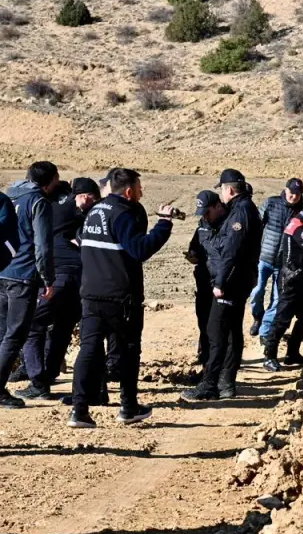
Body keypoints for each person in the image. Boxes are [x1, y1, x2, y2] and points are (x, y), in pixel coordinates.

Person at [69, 168, 175, 428]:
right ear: (129, 191)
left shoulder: (95, 211)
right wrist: (164, 223)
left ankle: (79, 409)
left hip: (90, 294)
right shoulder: (123, 213)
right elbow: (140, 249)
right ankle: (128, 407)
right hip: (119, 297)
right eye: (139, 188)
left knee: (89, 350)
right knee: (128, 350)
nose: (142, 192)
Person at [17, 177, 99, 401]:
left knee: (33, 325)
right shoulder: (77, 210)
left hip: (57, 274)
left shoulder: (44, 207)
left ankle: (38, 382)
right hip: (79, 275)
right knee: (63, 327)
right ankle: (49, 375)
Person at [185, 169, 262, 401]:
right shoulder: (242, 209)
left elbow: (231, 252)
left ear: (228, 190)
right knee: (229, 332)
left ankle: (210, 384)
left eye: (222, 189)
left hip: (231, 281)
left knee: (217, 331)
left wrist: (219, 282)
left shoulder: (241, 212)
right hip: (238, 278)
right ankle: (226, 383)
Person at [1, 161, 59, 409]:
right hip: (23, 275)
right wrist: (48, 279)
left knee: (2, 333)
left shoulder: (9, 196)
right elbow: (43, 246)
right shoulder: (39, 202)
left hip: (3, 270)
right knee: (15, 335)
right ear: (50, 180)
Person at [262, 197, 303, 372]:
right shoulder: (299, 226)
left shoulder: (302, 223)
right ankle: (269, 357)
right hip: (291, 280)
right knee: (281, 321)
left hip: (297, 279)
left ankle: (292, 354)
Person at [251, 177, 303, 338]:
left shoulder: (301, 212)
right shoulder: (271, 203)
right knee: (257, 291)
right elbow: (255, 224)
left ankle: (265, 332)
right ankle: (257, 317)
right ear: (286, 190)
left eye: (298, 194)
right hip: (263, 257)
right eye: (292, 192)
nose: (294, 196)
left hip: (282, 264)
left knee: (276, 298)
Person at [185, 190, 224, 367]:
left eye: (207, 212)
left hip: (221, 285)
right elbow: (194, 247)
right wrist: (192, 254)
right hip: (203, 283)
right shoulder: (202, 226)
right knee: (203, 320)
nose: (205, 217)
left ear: (217, 206)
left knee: (219, 326)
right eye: (203, 214)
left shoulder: (229, 225)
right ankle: (205, 355)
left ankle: (218, 362)